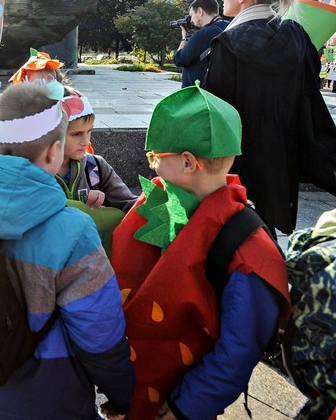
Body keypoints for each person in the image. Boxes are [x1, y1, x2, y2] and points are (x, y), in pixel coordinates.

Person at [0, 81, 133, 418]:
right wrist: (123, 394)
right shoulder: (72, 231)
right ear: (52, 151)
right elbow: (101, 336)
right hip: (56, 397)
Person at [110, 84, 291, 419]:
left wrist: (185, 407)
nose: (153, 169)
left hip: (179, 402)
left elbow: (238, 350)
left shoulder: (249, 252)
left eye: (156, 158)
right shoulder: (166, 198)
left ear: (189, 162)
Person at [205, 0, 336, 235]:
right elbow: (309, 95)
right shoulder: (297, 37)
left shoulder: (229, 43)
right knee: (264, 230)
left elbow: (214, 112)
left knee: (239, 234)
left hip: (239, 158)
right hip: (283, 155)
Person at [57, 87, 137, 211]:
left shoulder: (94, 166)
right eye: (76, 134)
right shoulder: (31, 174)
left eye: (89, 131)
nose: (86, 142)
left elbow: (130, 206)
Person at [173, 0, 229, 87]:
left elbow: (180, 59)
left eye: (191, 15)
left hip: (198, 93)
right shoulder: (228, 26)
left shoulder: (205, 33)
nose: (191, 20)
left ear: (200, 11)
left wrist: (184, 38)